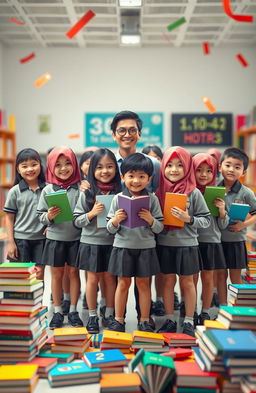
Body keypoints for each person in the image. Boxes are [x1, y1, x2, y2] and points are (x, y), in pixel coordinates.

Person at [111, 110, 161, 327]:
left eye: (132, 130)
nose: (127, 134)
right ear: (114, 134)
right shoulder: (109, 162)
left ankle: (144, 318)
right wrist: (114, 221)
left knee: (143, 283)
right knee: (120, 283)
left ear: (139, 133)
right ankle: (116, 318)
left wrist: (151, 219)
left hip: (145, 242)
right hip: (121, 241)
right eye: (122, 130)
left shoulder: (153, 164)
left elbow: (159, 212)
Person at [156, 146, 211, 337]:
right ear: (163, 167)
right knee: (168, 283)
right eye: (169, 165)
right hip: (165, 245)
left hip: (188, 245)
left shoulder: (193, 192)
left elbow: (206, 219)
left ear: (187, 167)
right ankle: (170, 319)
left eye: (180, 165)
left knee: (188, 283)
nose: (174, 169)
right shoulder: (158, 191)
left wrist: (189, 219)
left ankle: (188, 319)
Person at [74, 148, 122, 334]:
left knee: (110, 279)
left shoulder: (121, 192)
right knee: (92, 280)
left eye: (110, 167)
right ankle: (93, 315)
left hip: (112, 243)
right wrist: (92, 213)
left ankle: (109, 313)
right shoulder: (86, 193)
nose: (105, 171)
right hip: (91, 242)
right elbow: (77, 221)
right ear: (92, 169)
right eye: (100, 167)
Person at [37, 146, 83, 329]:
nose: (63, 168)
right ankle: (57, 310)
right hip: (55, 238)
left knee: (73, 273)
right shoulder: (48, 190)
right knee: (56, 275)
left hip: (76, 239)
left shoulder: (81, 188)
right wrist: (48, 216)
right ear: (50, 167)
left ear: (74, 165)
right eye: (58, 165)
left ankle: (73, 310)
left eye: (67, 164)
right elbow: (40, 215)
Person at [192, 153, 228, 323]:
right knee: (191, 279)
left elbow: (223, 225)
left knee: (208, 279)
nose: (204, 174)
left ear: (214, 172)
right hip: (192, 241)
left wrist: (222, 211)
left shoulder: (218, 193)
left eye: (208, 171)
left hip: (211, 241)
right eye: (198, 170)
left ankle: (205, 311)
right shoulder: (189, 192)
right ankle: (190, 310)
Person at [218, 147, 256, 300]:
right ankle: (223, 309)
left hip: (236, 242)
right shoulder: (213, 189)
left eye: (237, 167)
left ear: (244, 172)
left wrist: (243, 225)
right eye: (228, 165)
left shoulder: (246, 192)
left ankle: (238, 310)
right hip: (217, 241)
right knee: (219, 277)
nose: (231, 169)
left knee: (235, 278)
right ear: (220, 166)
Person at [4, 148, 46, 278]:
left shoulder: (47, 189)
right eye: (24, 166)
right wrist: (11, 242)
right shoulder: (14, 191)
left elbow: (55, 213)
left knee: (38, 276)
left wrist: (50, 227)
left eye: (34, 164)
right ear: (18, 169)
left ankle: (37, 300)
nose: (30, 169)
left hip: (41, 240)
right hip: (20, 240)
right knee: (21, 277)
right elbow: (9, 219)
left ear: (40, 165)